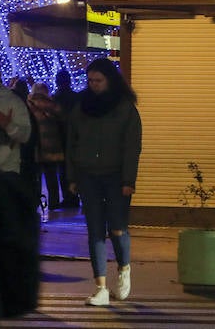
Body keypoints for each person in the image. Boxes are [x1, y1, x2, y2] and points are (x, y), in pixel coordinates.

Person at [66, 57, 142, 307]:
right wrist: (73, 176)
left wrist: (128, 179)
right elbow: (72, 143)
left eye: (98, 80)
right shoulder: (82, 107)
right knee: (95, 231)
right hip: (88, 174)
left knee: (118, 228)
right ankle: (100, 287)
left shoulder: (125, 108)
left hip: (115, 175)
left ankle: (124, 267)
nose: (93, 85)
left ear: (110, 80)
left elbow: (132, 146)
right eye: (90, 81)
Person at [27, 83, 66, 215]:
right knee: (51, 177)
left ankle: (36, 203)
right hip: (51, 144)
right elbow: (62, 116)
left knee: (36, 177)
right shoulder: (51, 104)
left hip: (36, 145)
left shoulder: (29, 103)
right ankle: (54, 203)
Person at [52, 70, 80, 208]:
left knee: (63, 170)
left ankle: (68, 196)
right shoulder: (75, 97)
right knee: (73, 168)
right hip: (75, 137)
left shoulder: (56, 98)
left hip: (60, 137)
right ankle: (74, 196)